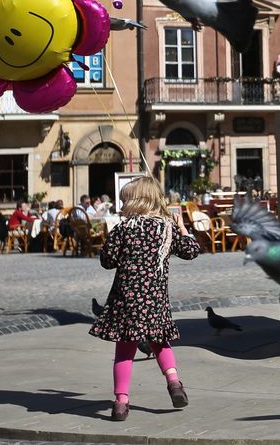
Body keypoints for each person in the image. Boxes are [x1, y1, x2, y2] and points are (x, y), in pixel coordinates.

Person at [89, 176, 200, 422]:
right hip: (155, 300)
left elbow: (107, 261)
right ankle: (174, 383)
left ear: (136, 201)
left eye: (125, 199)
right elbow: (192, 251)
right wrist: (181, 227)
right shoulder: (166, 227)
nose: (122, 204)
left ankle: (121, 403)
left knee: (124, 352)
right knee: (160, 343)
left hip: (126, 300)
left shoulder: (125, 228)